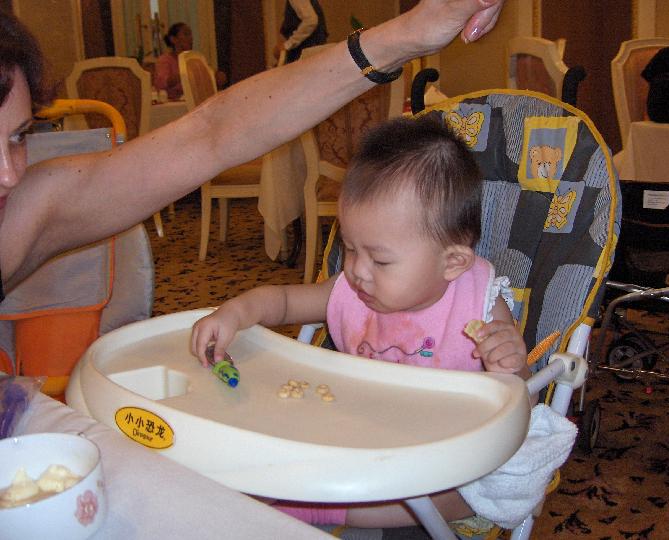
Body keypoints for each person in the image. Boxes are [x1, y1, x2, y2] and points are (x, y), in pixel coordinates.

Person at [0, 0, 505, 304]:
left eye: (19, 137)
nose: (8, 174)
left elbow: (212, 134)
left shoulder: (23, 215)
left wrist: (409, 33)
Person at [190, 116, 529, 528]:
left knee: (470, 491)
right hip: (360, 431)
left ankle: (317, 508)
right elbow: (283, 301)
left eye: (380, 260)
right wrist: (235, 313)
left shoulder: (479, 306)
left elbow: (519, 402)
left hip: (443, 452)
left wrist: (510, 367)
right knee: (273, 427)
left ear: (453, 262)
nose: (357, 271)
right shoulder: (354, 291)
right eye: (350, 248)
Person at [153, 22, 193, 100]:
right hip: (172, 101)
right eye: (186, 34)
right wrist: (184, 73)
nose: (191, 38)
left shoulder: (192, 59)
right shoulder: (164, 60)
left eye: (190, 34)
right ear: (173, 39)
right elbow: (161, 84)